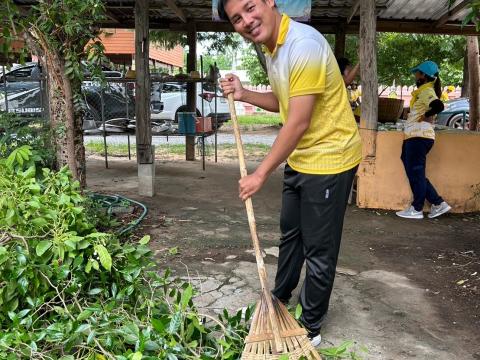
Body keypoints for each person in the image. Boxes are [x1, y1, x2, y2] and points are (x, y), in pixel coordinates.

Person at [217, 0, 362, 346]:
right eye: (237, 18)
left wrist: (260, 173)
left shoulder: (303, 44)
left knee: (319, 249)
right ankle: (278, 301)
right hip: (301, 159)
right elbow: (286, 102)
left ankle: (310, 325)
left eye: (250, 8)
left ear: (270, 1)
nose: (247, 21)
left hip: (331, 159)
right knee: (291, 236)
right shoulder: (273, 49)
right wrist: (244, 93)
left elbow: (297, 122)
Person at [396, 61, 451, 220]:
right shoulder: (423, 91)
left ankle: (417, 208)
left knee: (415, 172)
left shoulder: (427, 91)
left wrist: (426, 114)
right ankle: (437, 203)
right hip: (414, 137)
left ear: (424, 75)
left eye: (417, 73)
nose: (415, 76)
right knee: (413, 170)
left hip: (418, 137)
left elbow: (438, 106)